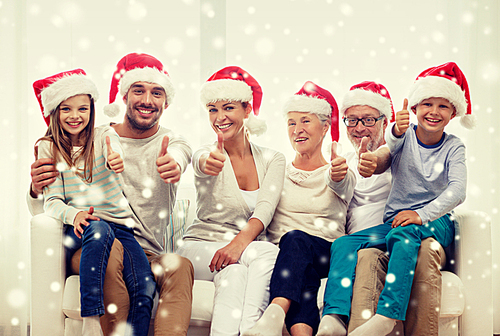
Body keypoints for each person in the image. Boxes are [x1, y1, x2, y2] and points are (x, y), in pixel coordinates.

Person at [27, 53, 194, 336]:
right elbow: (46, 206)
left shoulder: (171, 142)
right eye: (138, 90)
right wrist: (35, 189)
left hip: (145, 248)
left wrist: (175, 164)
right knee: (111, 247)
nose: (147, 100)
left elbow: (182, 154)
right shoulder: (94, 137)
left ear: (166, 102)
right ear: (123, 95)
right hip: (95, 242)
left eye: (157, 92)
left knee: (180, 265)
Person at [320, 62, 474, 336]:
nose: (434, 112)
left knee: (404, 234)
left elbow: (458, 190)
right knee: (344, 243)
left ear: (453, 113)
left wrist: (421, 214)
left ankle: (388, 315)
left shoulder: (454, 147)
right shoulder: (402, 137)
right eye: (427, 104)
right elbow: (384, 156)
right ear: (414, 109)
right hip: (397, 223)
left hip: (436, 221)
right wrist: (371, 163)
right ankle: (333, 316)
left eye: (443, 106)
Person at [32, 69, 156, 336]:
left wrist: (116, 158)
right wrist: (74, 215)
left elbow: (115, 148)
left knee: (144, 287)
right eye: (66, 109)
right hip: (82, 227)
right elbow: (51, 201)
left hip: (121, 228)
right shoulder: (48, 147)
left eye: (82, 109)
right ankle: (91, 321)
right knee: (98, 229)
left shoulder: (103, 137)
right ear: (55, 112)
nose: (75, 116)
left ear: (92, 110)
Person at [176, 66, 286, 336]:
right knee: (267, 251)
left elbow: (265, 210)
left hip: (237, 255)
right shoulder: (206, 152)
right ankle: (254, 330)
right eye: (213, 109)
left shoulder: (273, 159)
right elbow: (201, 163)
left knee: (235, 275)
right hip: (199, 248)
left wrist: (237, 246)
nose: (220, 117)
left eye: (228, 108)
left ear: (247, 110)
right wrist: (207, 163)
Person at [242, 81, 356, 336]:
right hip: (286, 257)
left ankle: (275, 313)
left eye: (305, 121)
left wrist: (337, 174)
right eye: (291, 123)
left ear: (325, 127)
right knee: (303, 271)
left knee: (295, 240)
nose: (297, 130)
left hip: (325, 252)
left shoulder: (339, 170)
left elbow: (342, 184)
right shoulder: (277, 170)